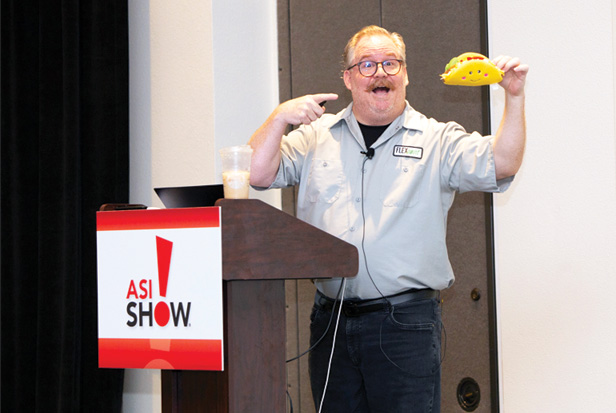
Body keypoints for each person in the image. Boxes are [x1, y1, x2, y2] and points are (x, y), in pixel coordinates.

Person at [249, 25, 528, 413]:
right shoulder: (315, 137)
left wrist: (514, 97)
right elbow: (256, 173)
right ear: (347, 78)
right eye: (366, 64)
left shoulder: (437, 139)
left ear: (406, 75)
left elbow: (503, 162)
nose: (380, 72)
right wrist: (279, 117)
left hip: (405, 325)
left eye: (390, 63)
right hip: (331, 323)